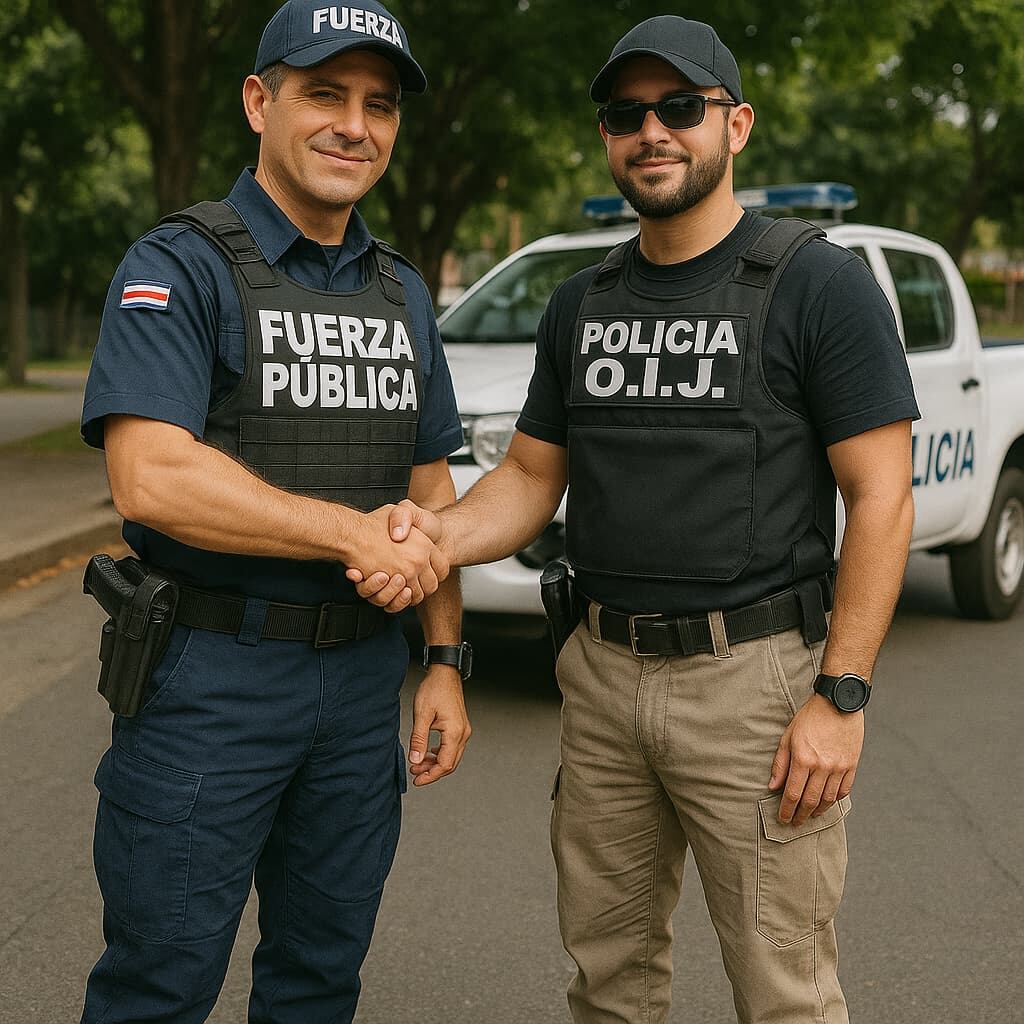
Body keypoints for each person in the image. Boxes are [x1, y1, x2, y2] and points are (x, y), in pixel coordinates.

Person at [354, 15, 919, 1024]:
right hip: (602, 681)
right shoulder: (580, 302)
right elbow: (531, 475)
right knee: (607, 978)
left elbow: (879, 495)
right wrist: (436, 536)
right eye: (626, 113)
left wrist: (841, 693)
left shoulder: (815, 284)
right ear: (608, 137)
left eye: (679, 108)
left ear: (734, 124)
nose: (651, 131)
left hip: (755, 687)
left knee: (785, 988)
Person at [78, 2, 471, 1021]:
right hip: (211, 679)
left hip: (358, 688)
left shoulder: (402, 293)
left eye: (378, 105)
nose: (355, 125)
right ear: (260, 101)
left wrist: (443, 659)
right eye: (324, 94)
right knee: (159, 984)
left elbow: (431, 492)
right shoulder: (180, 264)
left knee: (317, 980)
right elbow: (152, 475)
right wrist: (347, 532)